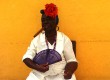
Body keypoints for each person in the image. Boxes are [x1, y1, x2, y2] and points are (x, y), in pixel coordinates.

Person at [22, 3, 78, 80]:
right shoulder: (36, 40)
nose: (45, 22)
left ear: (56, 21)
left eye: (49, 19)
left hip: (60, 75)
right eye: (43, 20)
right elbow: (26, 58)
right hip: (39, 75)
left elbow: (72, 61)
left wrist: (69, 72)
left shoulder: (64, 39)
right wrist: (37, 67)